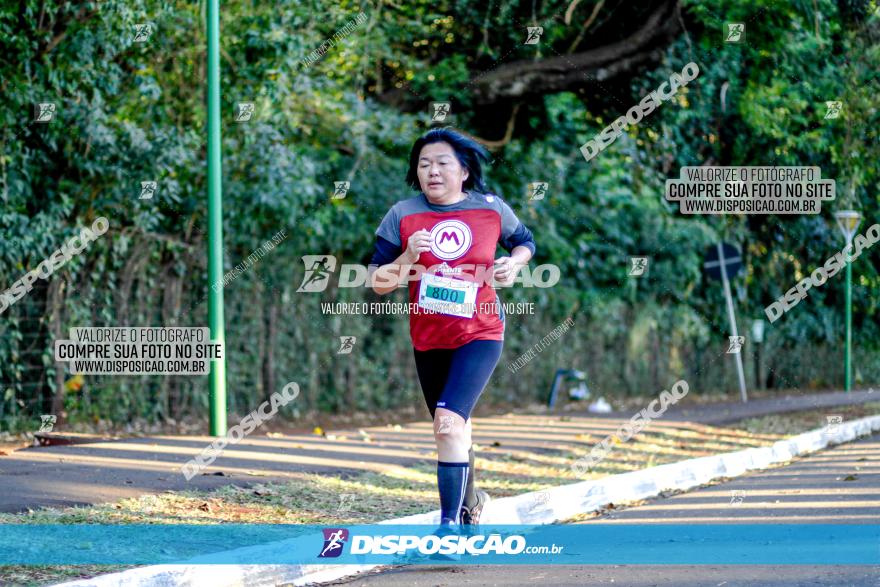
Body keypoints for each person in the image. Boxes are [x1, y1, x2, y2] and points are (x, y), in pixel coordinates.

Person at [369, 128, 536, 527]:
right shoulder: (402, 215)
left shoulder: (492, 209)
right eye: (424, 164)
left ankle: (449, 528)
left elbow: (525, 241)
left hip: (480, 332)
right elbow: (378, 282)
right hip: (429, 339)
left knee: (447, 424)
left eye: (443, 163)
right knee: (453, 429)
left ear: (464, 171)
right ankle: (472, 502)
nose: (433, 172)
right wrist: (409, 255)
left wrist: (514, 263)